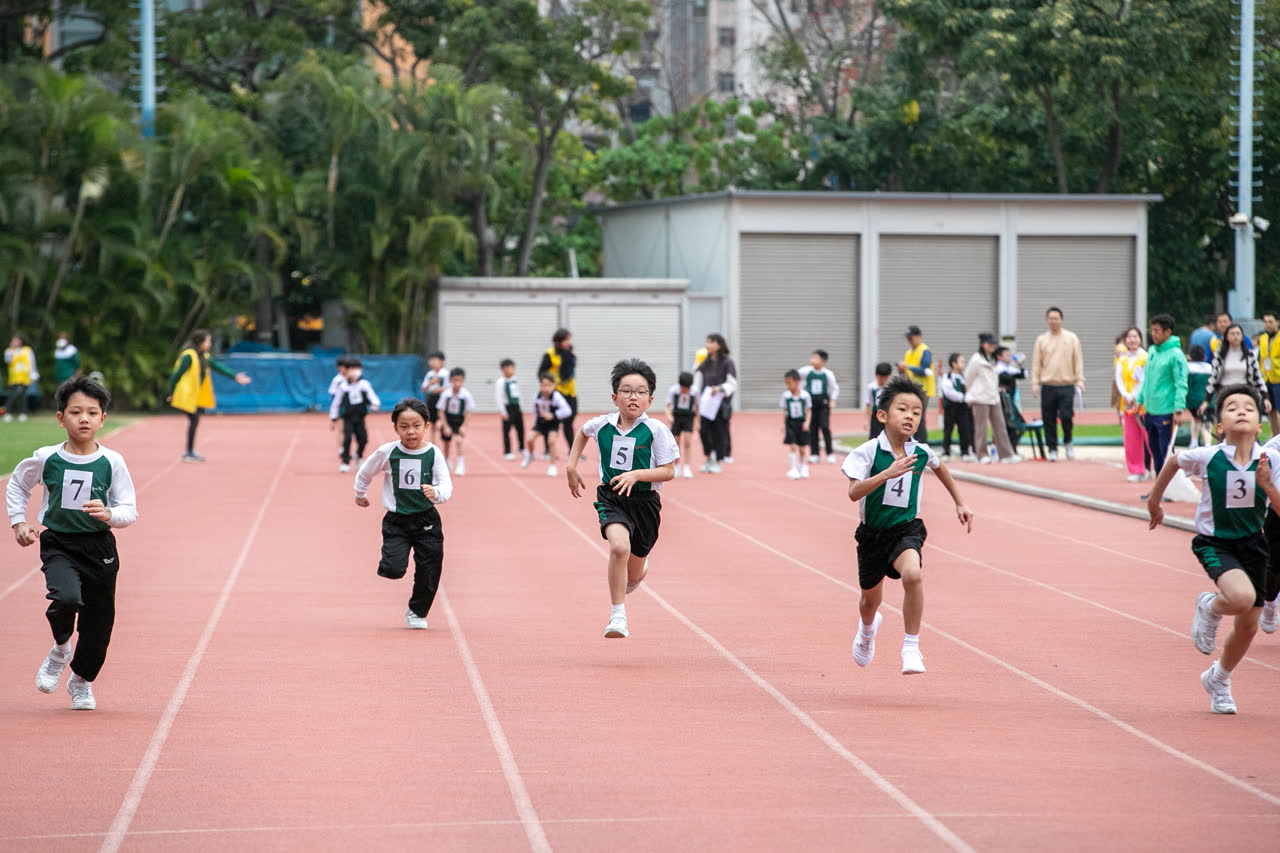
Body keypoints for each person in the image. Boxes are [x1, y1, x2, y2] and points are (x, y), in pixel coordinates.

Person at [7, 377, 138, 710]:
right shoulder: (47, 458)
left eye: (92, 413)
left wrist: (108, 514)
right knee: (65, 598)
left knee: (99, 622)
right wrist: (19, 521)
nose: (84, 419)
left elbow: (129, 509)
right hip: (59, 544)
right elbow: (18, 485)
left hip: (99, 547)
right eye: (75, 412)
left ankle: (81, 681)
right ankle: (61, 647)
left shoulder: (112, 461)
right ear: (60, 417)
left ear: (102, 419)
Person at [1148, 384, 1279, 715]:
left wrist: (1267, 484)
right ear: (1220, 426)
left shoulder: (1271, 460)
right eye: (1232, 407)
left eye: (1248, 407)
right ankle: (1209, 606)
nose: (1241, 411)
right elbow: (1174, 462)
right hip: (1215, 543)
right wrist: (1154, 502)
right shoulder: (1208, 456)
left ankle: (1219, 678)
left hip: (1254, 544)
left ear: (1260, 425)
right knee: (1240, 598)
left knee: (1248, 625)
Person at [843, 375, 973, 675]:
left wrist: (960, 502)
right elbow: (853, 493)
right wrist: (886, 474)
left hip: (906, 529)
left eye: (916, 412)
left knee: (913, 575)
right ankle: (867, 631)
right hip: (873, 534)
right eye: (902, 409)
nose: (910, 416)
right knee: (870, 601)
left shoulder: (921, 452)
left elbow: (940, 468)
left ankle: (911, 646)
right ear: (882, 415)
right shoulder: (867, 452)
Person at [566, 358, 678, 639]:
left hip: (645, 503)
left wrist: (637, 475)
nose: (633, 397)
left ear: (650, 399)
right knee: (618, 548)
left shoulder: (656, 430)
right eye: (626, 391)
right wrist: (571, 465)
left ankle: (638, 569)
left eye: (641, 392)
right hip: (612, 497)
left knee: (633, 575)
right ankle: (618, 616)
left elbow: (668, 472)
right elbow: (582, 432)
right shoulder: (602, 424)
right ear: (615, 397)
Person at [353, 398, 452, 630]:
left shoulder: (433, 453)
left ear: (426, 426)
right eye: (404, 427)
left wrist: (436, 493)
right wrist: (360, 493)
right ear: (395, 428)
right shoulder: (388, 452)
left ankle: (417, 611)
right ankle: (392, 564)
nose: (411, 432)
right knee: (393, 569)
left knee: (429, 569)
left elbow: (446, 485)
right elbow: (366, 471)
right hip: (397, 521)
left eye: (416, 426)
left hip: (426, 520)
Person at [167, 329, 251, 462]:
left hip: (192, 395)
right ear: (200, 342)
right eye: (208, 341)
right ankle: (189, 452)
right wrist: (171, 393)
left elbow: (218, 367)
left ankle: (189, 452)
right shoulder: (189, 356)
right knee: (194, 419)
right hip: (184, 394)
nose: (209, 344)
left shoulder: (204, 356)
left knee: (194, 420)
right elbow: (176, 375)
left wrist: (235, 376)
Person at [1134, 314, 1188, 477]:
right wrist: (1139, 400)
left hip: (1166, 410)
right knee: (1154, 450)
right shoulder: (1151, 351)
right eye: (1152, 330)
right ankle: (1160, 483)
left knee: (1166, 451)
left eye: (1157, 331)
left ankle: (1169, 484)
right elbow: (1147, 379)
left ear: (1167, 332)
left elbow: (1181, 383)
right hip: (1150, 410)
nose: (1153, 334)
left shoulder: (1176, 355)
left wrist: (1178, 409)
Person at [1030, 307, 1084, 461]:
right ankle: (1052, 448)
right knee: (1048, 418)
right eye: (1050, 318)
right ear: (1047, 320)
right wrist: (1035, 383)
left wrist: (1080, 380)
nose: (1053, 321)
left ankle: (1068, 441)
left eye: (1056, 318)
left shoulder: (1071, 338)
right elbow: (1036, 364)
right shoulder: (1041, 340)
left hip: (1066, 384)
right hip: (1048, 384)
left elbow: (1078, 361)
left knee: (1066, 416)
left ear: (1061, 320)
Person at [964, 333, 1020, 464]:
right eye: (989, 344)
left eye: (993, 344)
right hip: (980, 398)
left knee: (1000, 426)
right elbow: (968, 378)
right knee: (981, 428)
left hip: (994, 397)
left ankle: (1006, 454)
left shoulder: (992, 359)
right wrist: (974, 392)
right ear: (982, 344)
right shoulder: (976, 359)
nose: (992, 346)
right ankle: (982, 454)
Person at [1202, 323, 1267, 422]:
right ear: (1226, 337)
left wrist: (1265, 397)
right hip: (1224, 395)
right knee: (1225, 424)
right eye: (1232, 334)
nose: (1235, 336)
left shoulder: (1250, 355)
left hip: (1245, 393)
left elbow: (1258, 378)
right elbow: (1213, 379)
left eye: (1238, 333)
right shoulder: (1220, 356)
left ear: (1242, 336)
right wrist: (1206, 401)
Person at [694, 334, 737, 473]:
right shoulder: (704, 361)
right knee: (703, 431)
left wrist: (719, 388)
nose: (708, 345)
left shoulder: (727, 362)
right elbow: (697, 378)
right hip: (705, 404)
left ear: (719, 345)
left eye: (711, 342)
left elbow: (732, 383)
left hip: (720, 404)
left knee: (719, 432)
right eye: (707, 342)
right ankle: (708, 457)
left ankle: (718, 461)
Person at [330, 357, 381, 473]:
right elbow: (336, 402)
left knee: (363, 439)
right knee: (347, 438)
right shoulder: (343, 386)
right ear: (346, 371)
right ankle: (345, 461)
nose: (354, 372)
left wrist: (375, 404)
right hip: (347, 418)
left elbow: (372, 396)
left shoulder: (364, 384)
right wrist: (333, 417)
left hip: (360, 417)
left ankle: (358, 455)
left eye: (357, 369)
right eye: (352, 369)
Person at [1114, 327, 1150, 483]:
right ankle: (1137, 470)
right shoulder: (1122, 359)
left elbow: (1145, 379)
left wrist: (1136, 396)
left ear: (1140, 339)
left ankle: (1161, 468)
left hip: (1144, 405)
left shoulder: (1146, 357)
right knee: (1131, 439)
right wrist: (1127, 396)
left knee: (1150, 437)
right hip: (1127, 405)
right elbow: (1119, 379)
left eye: (1135, 337)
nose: (1132, 340)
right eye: (1129, 337)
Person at [525, 374, 572, 476]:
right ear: (540, 386)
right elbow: (535, 411)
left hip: (552, 424)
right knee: (529, 439)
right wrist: (535, 423)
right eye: (544, 385)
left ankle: (552, 466)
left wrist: (553, 415)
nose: (546, 388)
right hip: (540, 423)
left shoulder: (556, 397)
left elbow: (568, 410)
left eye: (549, 385)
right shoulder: (537, 396)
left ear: (554, 386)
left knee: (551, 441)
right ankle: (531, 455)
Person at [538, 329, 577, 449]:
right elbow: (541, 373)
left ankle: (572, 451)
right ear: (559, 341)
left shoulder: (570, 352)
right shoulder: (549, 354)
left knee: (569, 420)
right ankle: (547, 449)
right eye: (566, 340)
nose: (569, 342)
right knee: (550, 422)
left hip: (570, 392)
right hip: (556, 392)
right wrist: (548, 386)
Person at [799, 349, 839, 464]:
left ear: (823, 361)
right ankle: (814, 453)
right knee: (813, 428)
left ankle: (830, 453)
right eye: (812, 357)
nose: (813, 360)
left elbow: (834, 388)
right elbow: (796, 378)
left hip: (823, 402)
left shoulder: (828, 374)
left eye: (816, 358)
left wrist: (832, 400)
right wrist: (801, 390)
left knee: (825, 426)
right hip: (811, 402)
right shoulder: (805, 371)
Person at [897, 326, 934, 443]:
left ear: (918, 337)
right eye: (907, 338)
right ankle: (912, 443)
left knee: (918, 418)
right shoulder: (908, 353)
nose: (909, 341)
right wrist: (902, 369)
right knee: (911, 417)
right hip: (912, 390)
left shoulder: (925, 351)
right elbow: (908, 373)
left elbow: (925, 370)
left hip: (923, 390)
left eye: (911, 338)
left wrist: (908, 367)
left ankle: (921, 444)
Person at [436, 367, 475, 476]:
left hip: (459, 420)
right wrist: (445, 425)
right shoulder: (446, 394)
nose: (457, 383)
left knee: (459, 441)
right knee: (446, 443)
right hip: (448, 419)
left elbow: (469, 412)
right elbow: (441, 411)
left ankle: (461, 464)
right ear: (450, 381)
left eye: (460, 380)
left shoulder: (466, 395)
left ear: (463, 381)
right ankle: (447, 459)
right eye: (455, 380)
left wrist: (464, 426)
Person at [939, 353, 975, 462]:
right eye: (961, 361)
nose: (963, 364)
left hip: (963, 408)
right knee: (948, 429)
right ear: (954, 364)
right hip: (950, 407)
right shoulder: (947, 377)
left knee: (964, 429)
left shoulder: (964, 377)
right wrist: (963, 397)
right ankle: (946, 451)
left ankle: (965, 451)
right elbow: (948, 392)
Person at [664, 371, 698, 480]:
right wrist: (669, 416)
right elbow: (667, 406)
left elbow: (697, 407)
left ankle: (687, 467)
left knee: (687, 441)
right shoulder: (673, 390)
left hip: (688, 417)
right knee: (676, 442)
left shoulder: (695, 391)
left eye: (687, 388)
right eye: (683, 388)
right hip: (677, 416)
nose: (685, 390)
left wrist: (697, 421)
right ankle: (677, 465)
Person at [780, 369, 813, 480]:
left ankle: (802, 465)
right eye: (786, 383)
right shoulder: (786, 396)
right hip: (790, 422)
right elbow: (784, 410)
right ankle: (793, 468)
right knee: (792, 445)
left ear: (797, 382)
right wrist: (783, 424)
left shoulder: (805, 395)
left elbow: (809, 410)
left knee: (802, 448)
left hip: (802, 422)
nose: (788, 386)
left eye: (790, 383)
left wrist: (807, 422)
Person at [496, 359, 524, 461]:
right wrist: (503, 411)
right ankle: (507, 451)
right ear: (503, 369)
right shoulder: (501, 382)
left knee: (520, 428)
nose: (512, 370)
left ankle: (522, 447)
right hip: (507, 407)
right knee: (507, 430)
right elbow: (499, 397)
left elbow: (518, 394)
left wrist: (520, 406)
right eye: (510, 368)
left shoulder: (515, 380)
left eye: (513, 368)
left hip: (516, 407)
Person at [1257, 311, 1280, 437]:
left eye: (1271, 322)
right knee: (1270, 410)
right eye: (1265, 322)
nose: (1268, 325)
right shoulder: (1263, 338)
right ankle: (1275, 436)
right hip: (1266, 378)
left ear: (1277, 322)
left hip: (1278, 378)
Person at [1186, 345, 1213, 449]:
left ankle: (1193, 441)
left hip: (1193, 400)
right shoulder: (1209, 367)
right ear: (1204, 356)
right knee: (1207, 421)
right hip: (1207, 400)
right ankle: (1207, 444)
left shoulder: (1188, 367)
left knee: (1195, 419)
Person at [4, 334, 36, 422]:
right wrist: (11, 349)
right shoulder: (9, 351)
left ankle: (23, 413)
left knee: (23, 396)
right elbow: (8, 360)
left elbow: (32, 363)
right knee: (12, 395)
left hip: (25, 378)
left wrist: (33, 375)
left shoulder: (27, 350)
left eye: (17, 340)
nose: (16, 342)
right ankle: (8, 413)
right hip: (14, 378)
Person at [420, 351, 447, 444]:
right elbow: (423, 388)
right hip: (432, 398)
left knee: (442, 423)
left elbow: (450, 387)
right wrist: (430, 383)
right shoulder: (429, 374)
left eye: (435, 360)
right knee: (432, 423)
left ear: (441, 362)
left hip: (442, 398)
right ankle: (433, 443)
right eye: (431, 360)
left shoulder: (446, 374)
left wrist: (440, 389)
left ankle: (445, 445)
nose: (432, 362)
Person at [328, 356, 350, 459]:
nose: (344, 369)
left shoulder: (352, 379)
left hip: (352, 408)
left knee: (351, 431)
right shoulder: (337, 380)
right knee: (341, 430)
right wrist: (333, 416)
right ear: (338, 368)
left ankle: (349, 449)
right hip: (341, 407)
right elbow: (334, 397)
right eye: (342, 367)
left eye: (346, 367)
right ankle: (341, 449)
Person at [865, 362, 892, 440]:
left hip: (887, 414)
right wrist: (866, 421)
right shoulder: (871, 387)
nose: (883, 380)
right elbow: (868, 404)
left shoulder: (890, 387)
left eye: (885, 377)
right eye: (881, 377)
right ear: (876, 376)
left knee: (888, 436)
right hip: (875, 414)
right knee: (874, 437)